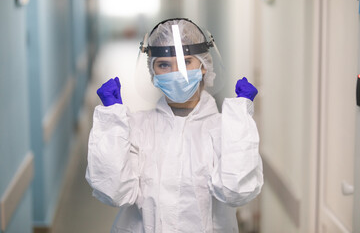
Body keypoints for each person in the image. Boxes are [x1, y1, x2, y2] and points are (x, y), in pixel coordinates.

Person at [86, 18, 263, 233]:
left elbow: (236, 191)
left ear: (204, 65)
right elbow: (114, 192)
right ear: (152, 72)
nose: (176, 73)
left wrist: (239, 121)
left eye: (187, 61)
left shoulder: (224, 129)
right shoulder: (136, 127)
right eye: (163, 64)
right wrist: (112, 122)